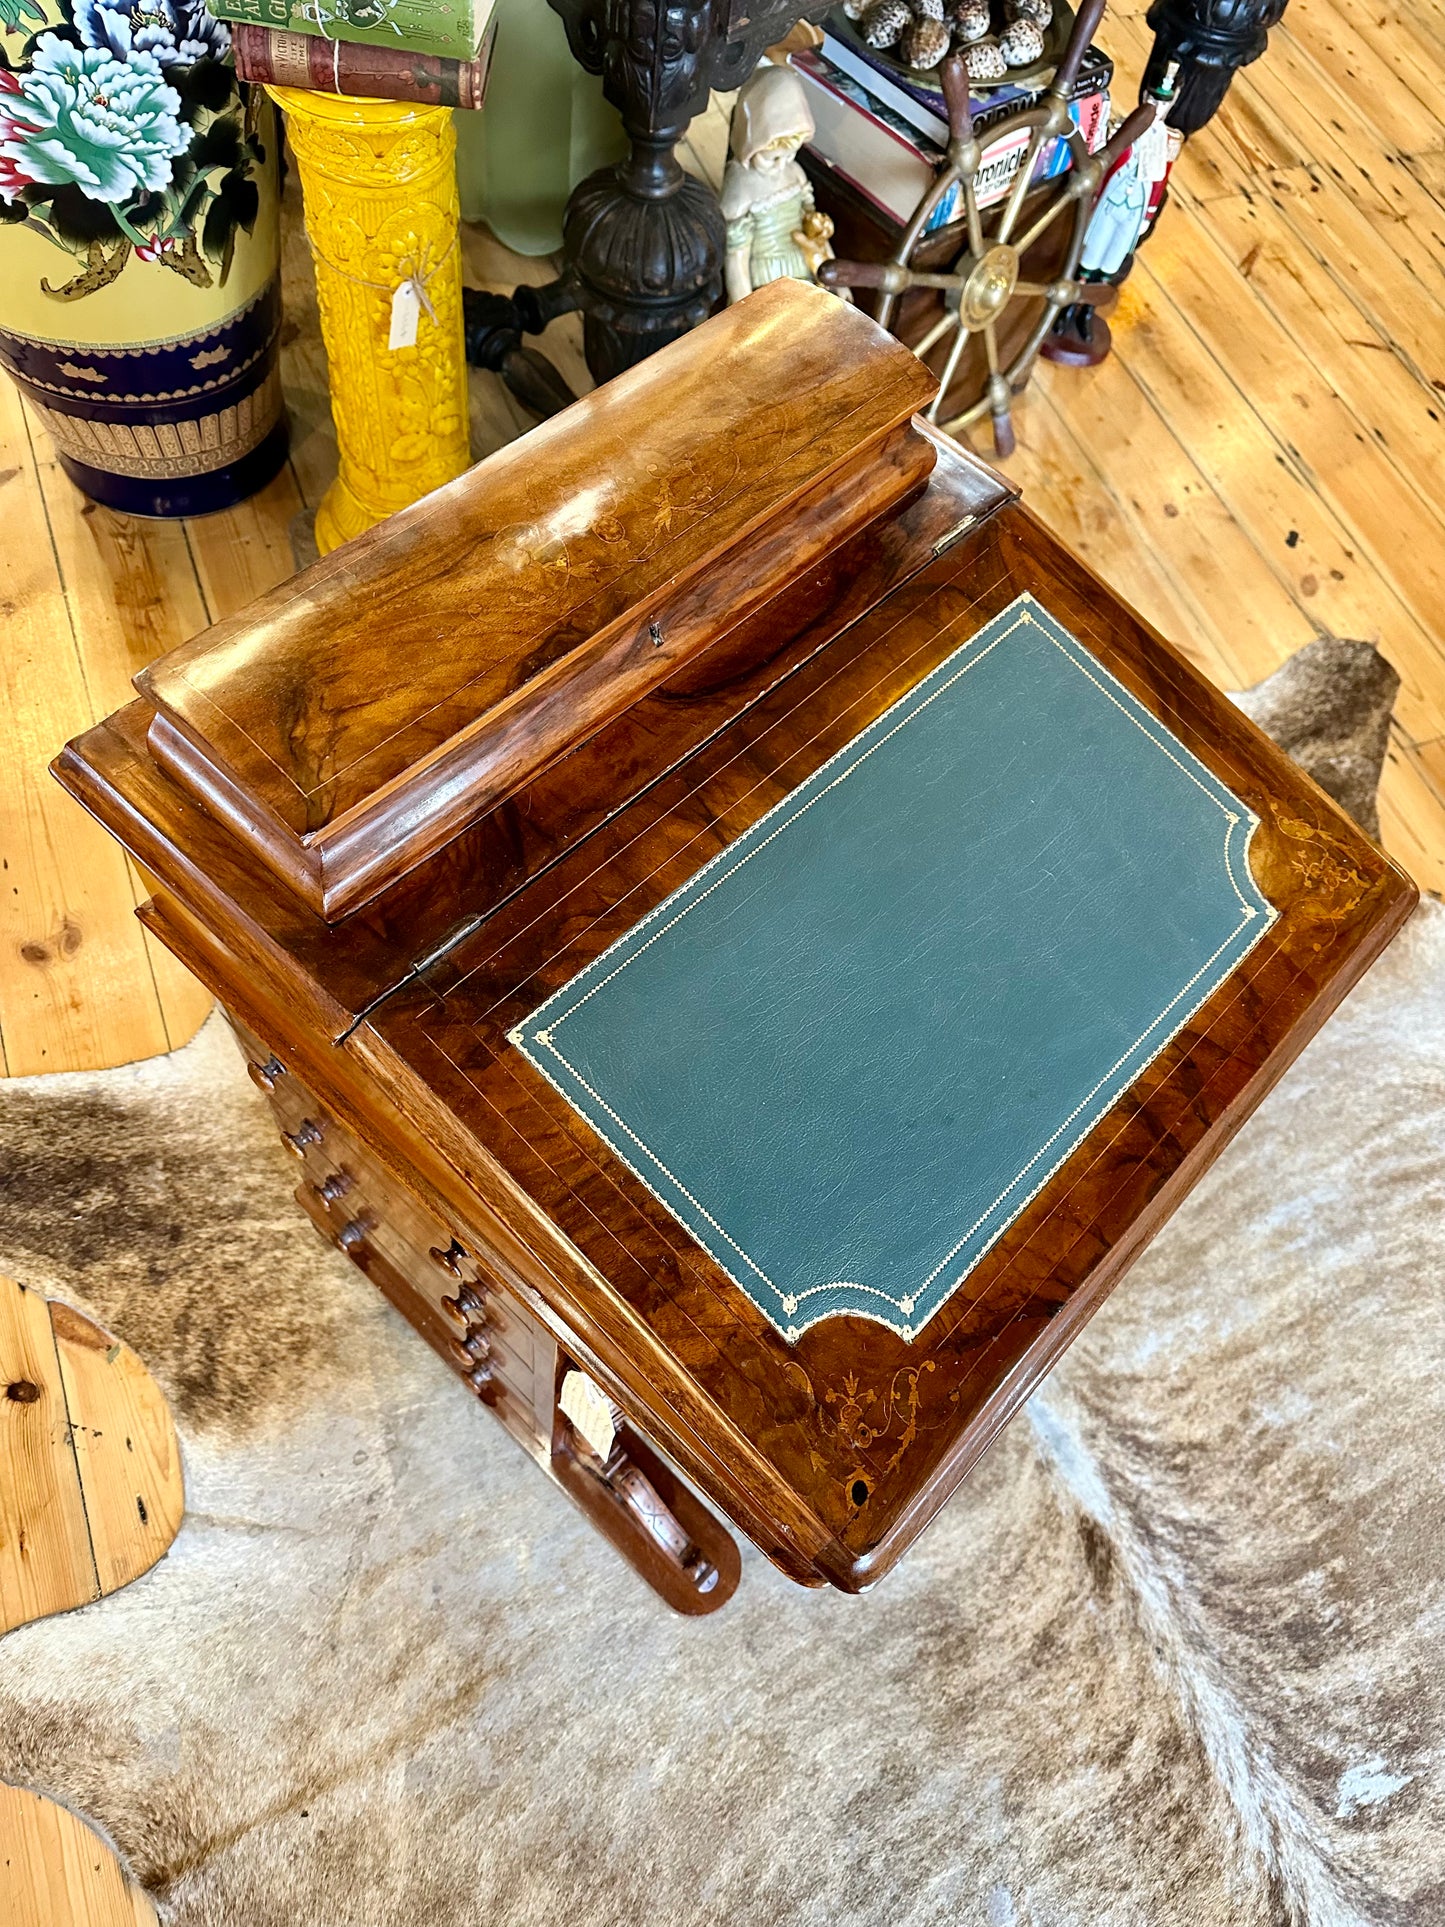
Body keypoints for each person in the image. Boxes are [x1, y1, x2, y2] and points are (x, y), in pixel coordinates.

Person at [722, 65, 839, 305]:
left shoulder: (794, 174)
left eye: (790, 155)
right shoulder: (741, 189)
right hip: (763, 288)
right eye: (772, 157)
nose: (781, 165)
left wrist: (838, 279)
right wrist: (744, 313)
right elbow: (736, 260)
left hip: (805, 273)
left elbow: (814, 231)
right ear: (748, 140)